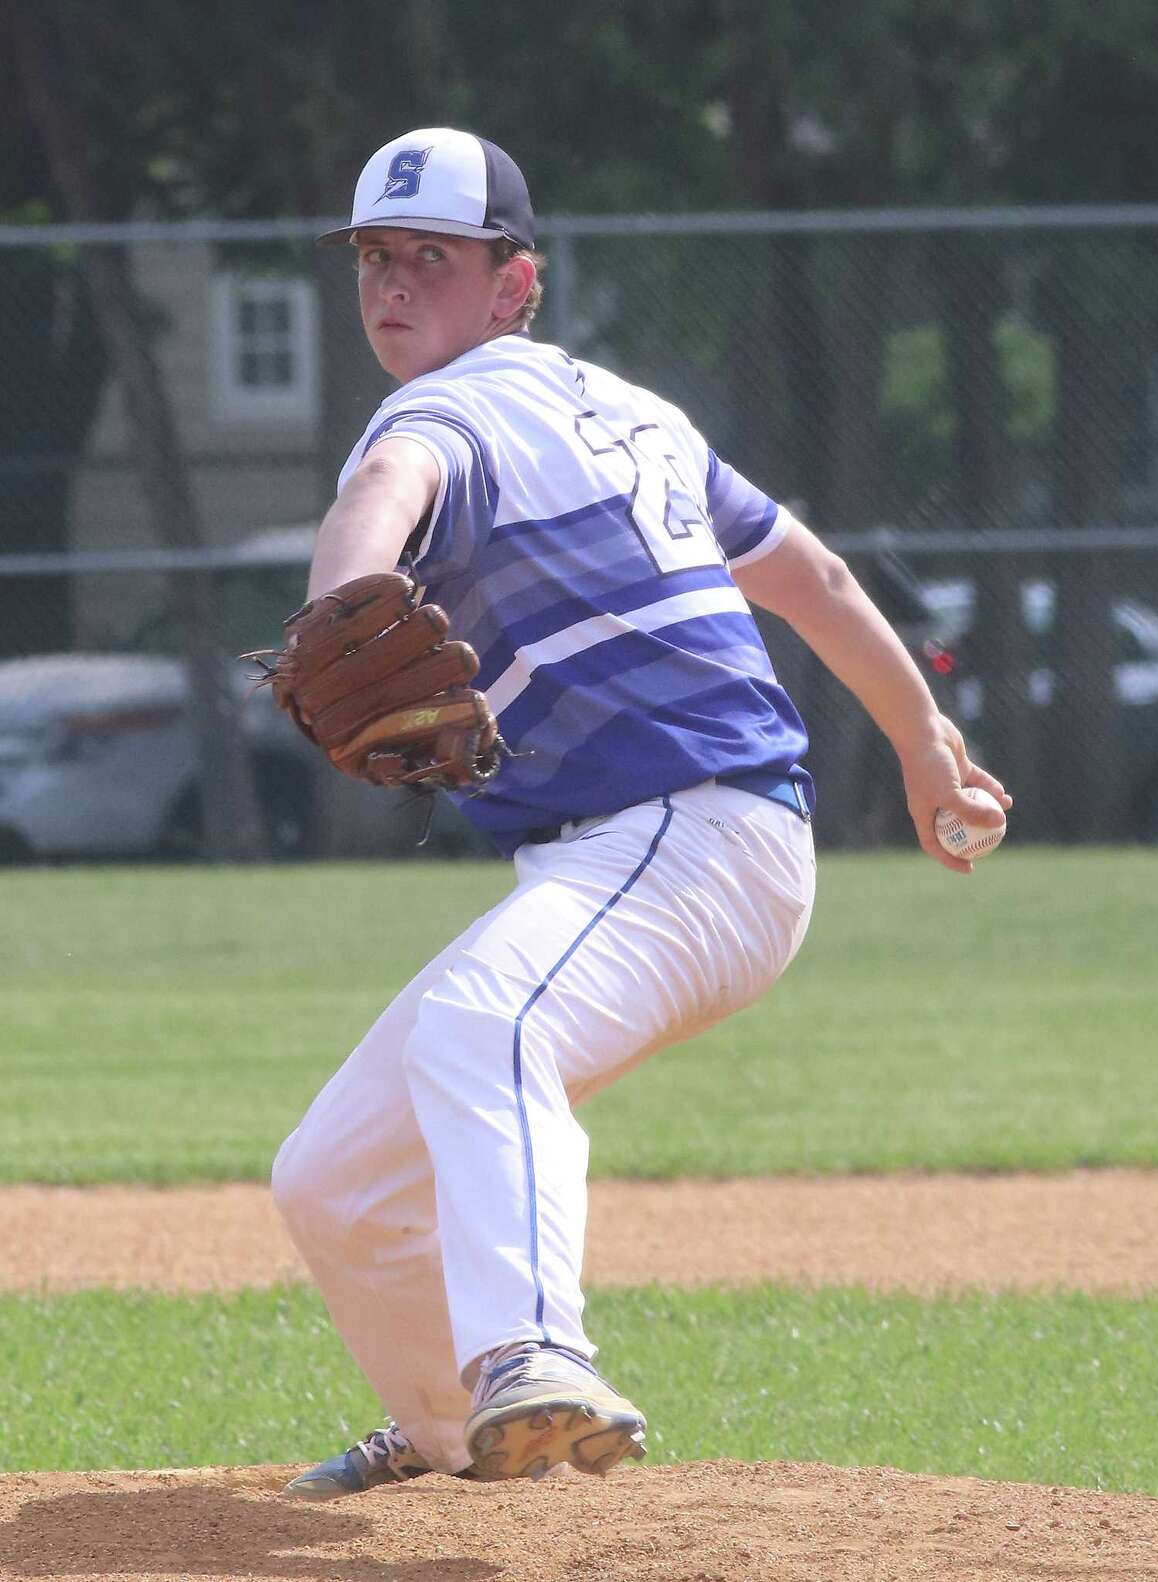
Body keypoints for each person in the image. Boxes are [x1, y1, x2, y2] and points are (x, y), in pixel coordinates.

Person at [272, 126, 1011, 1497]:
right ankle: (455, 1429)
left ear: (513, 285)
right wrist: (923, 744)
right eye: (374, 256)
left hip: (696, 829)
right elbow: (821, 581)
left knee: (484, 1022)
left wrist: (336, 605)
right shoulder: (637, 413)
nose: (390, 286)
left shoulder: (446, 409)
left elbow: (384, 490)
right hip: (671, 852)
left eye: (429, 258)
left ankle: (536, 1351)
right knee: (331, 1174)